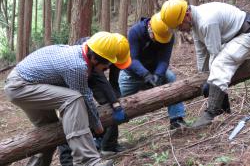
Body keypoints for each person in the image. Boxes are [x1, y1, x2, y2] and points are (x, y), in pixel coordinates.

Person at [4, 32, 122, 166]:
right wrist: (97, 125)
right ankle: (87, 161)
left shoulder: (77, 53)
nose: (106, 70)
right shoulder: (77, 66)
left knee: (49, 131)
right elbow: (85, 98)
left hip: (22, 84)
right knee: (74, 99)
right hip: (21, 87)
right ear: (95, 59)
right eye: (106, 66)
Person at [160, 0, 250, 128]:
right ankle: (222, 105)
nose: (180, 29)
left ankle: (211, 111)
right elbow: (201, 52)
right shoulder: (196, 22)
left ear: (187, 15)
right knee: (216, 68)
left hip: (249, 34)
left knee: (221, 63)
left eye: (179, 25)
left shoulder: (206, 21)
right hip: (235, 37)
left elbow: (215, 54)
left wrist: (211, 81)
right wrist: (203, 76)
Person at [59, 34, 131, 165]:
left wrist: (117, 103)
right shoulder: (96, 52)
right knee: (71, 114)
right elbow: (100, 80)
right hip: (74, 75)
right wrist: (112, 105)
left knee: (109, 107)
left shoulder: (113, 54)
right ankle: (67, 160)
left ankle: (108, 145)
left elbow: (112, 83)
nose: (111, 66)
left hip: (93, 74)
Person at [118, 13, 186, 130]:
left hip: (154, 71)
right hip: (131, 75)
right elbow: (132, 59)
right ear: (150, 27)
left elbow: (164, 59)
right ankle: (105, 135)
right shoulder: (136, 32)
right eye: (157, 37)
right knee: (115, 101)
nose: (160, 41)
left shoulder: (168, 34)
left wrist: (158, 74)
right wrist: (145, 74)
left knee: (170, 78)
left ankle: (177, 119)